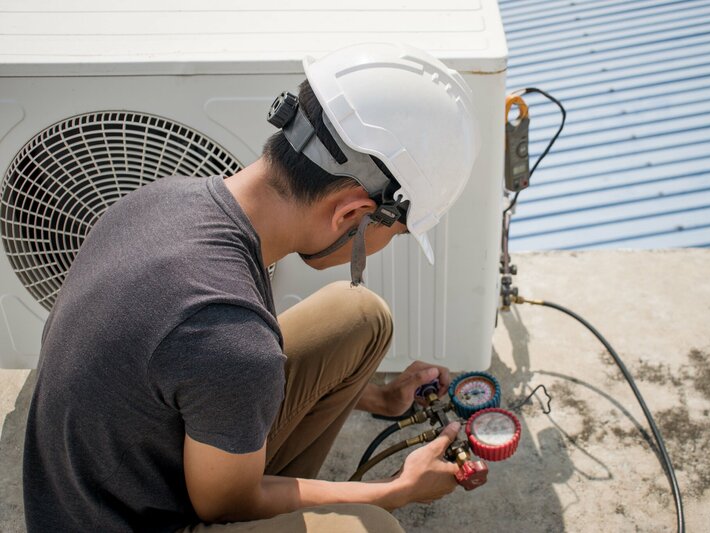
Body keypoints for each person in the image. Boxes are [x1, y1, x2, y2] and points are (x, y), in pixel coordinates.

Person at [23, 43, 481, 532]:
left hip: (103, 477)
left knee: (360, 319)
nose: (387, 245)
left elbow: (203, 378)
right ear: (351, 213)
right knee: (373, 527)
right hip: (136, 520)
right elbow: (225, 504)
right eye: (396, 232)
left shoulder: (162, 201)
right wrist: (395, 491)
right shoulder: (231, 340)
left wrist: (379, 400)